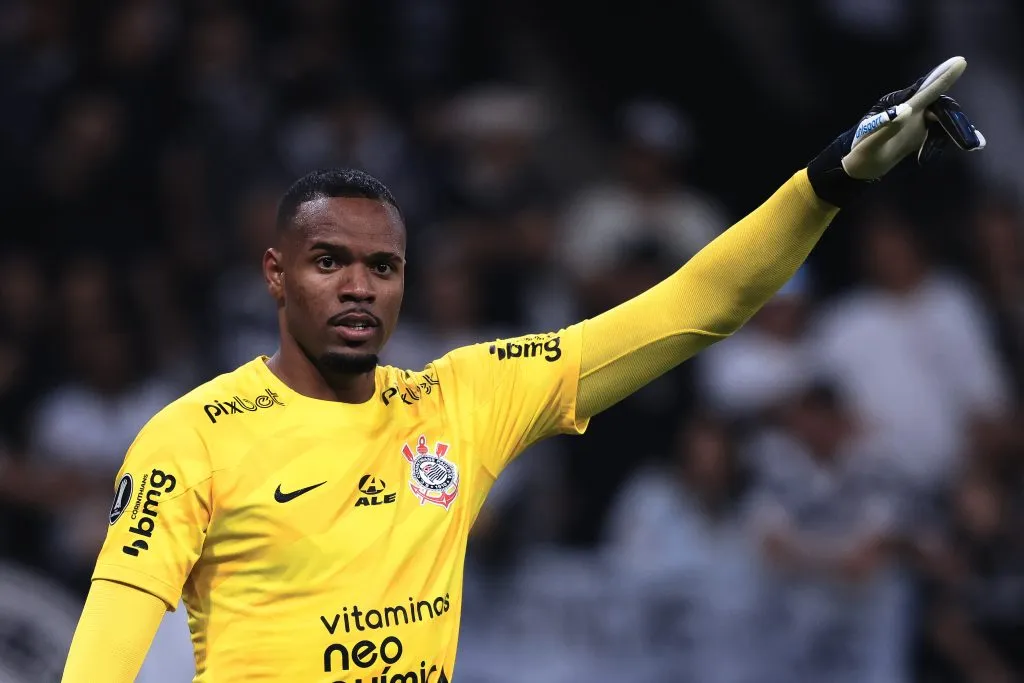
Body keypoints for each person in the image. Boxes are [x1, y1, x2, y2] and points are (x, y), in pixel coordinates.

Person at [60, 56, 984, 682]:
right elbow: (108, 640)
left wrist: (831, 182)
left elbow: (696, 307)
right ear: (276, 274)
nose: (357, 286)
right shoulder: (192, 435)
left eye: (381, 266)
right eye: (327, 260)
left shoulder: (462, 398)